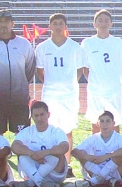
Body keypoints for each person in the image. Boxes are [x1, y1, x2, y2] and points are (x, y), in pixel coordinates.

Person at [35, 13, 85, 178]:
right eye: (54, 23)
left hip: (69, 95)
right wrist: (52, 83)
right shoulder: (42, 47)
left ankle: (67, 165)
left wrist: (68, 83)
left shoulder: (75, 47)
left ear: (65, 27)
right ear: (49, 26)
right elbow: (40, 70)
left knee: (67, 131)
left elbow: (79, 70)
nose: (57, 26)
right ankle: (52, 165)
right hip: (50, 95)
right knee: (49, 130)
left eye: (60, 23)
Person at [81, 9, 122, 134]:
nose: (103, 23)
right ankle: (97, 153)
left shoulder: (118, 42)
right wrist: (94, 80)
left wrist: (115, 80)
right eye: (100, 20)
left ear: (111, 24)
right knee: (96, 125)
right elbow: (85, 68)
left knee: (115, 124)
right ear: (94, 24)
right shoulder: (87, 43)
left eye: (107, 20)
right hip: (95, 91)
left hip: (114, 91)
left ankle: (116, 153)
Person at [8, 101, 68, 187]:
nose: (39, 118)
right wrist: (32, 154)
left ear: (48, 114)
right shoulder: (27, 131)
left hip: (54, 174)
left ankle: (30, 183)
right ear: (31, 117)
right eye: (36, 115)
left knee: (55, 153)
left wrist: (45, 153)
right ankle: (39, 181)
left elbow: (65, 147)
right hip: (32, 170)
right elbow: (15, 146)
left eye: (42, 114)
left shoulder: (56, 131)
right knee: (22, 154)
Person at [72, 111, 122, 187]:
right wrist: (87, 156)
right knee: (81, 154)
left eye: (108, 121)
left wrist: (106, 156)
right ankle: (108, 180)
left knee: (120, 154)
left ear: (113, 123)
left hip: (116, 171)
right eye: (102, 121)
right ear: (98, 124)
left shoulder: (118, 138)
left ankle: (95, 181)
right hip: (96, 170)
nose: (105, 124)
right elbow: (74, 152)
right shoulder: (93, 138)